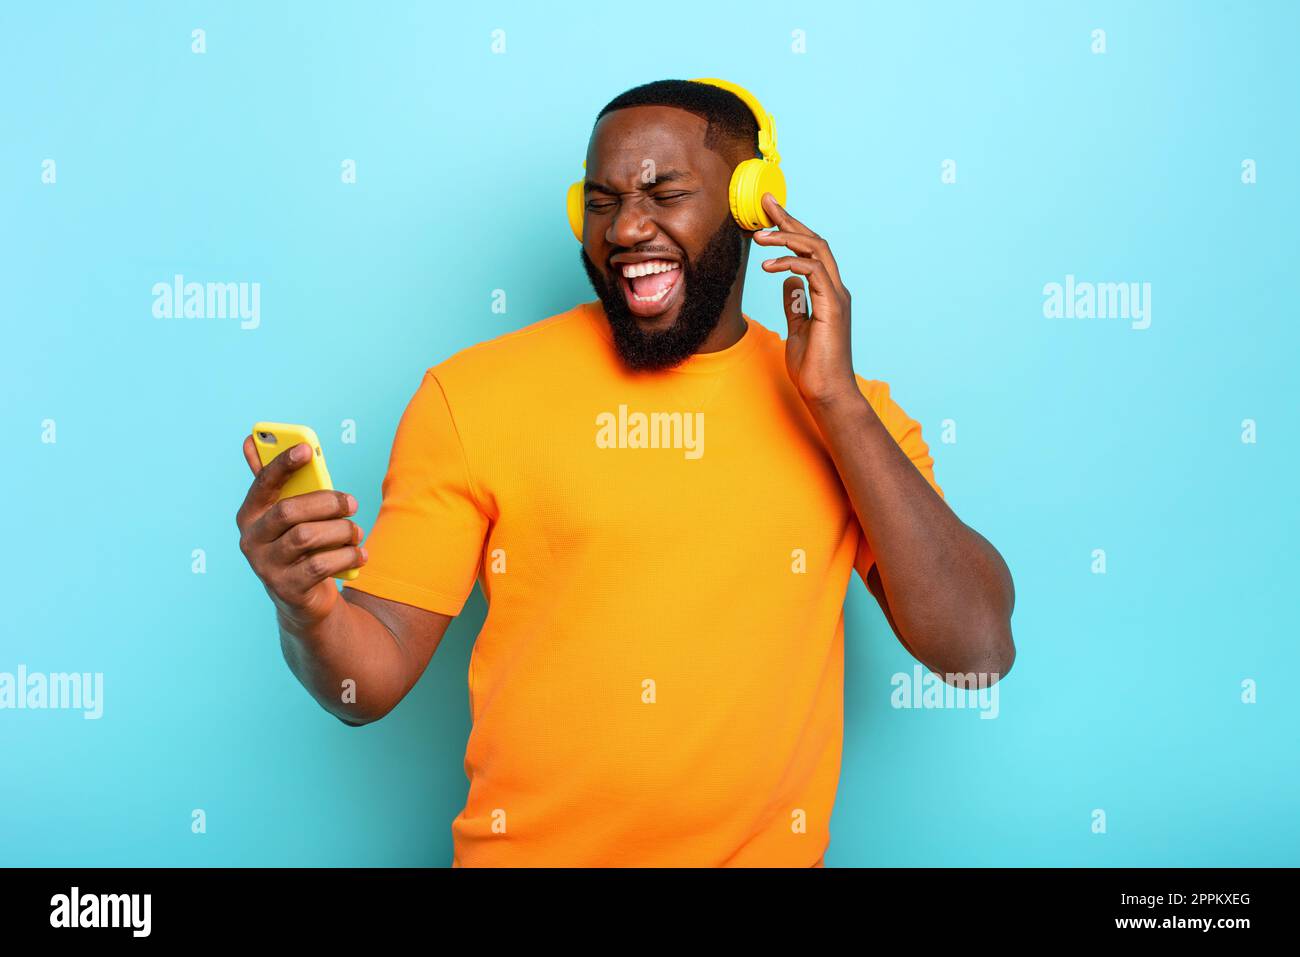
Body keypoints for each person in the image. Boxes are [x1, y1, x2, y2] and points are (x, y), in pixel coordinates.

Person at [235, 78, 1016, 867]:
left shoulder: (849, 416)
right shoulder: (472, 396)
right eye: (602, 201)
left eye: (664, 192)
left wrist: (838, 405)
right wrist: (305, 607)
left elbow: (977, 651)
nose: (627, 227)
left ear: (754, 204)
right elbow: (366, 684)